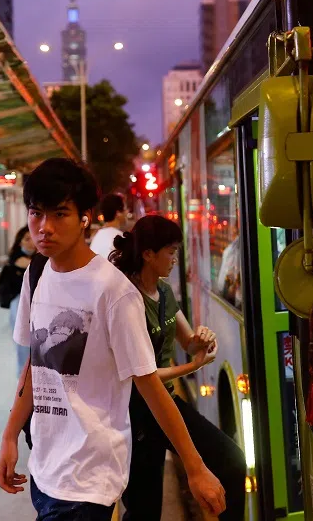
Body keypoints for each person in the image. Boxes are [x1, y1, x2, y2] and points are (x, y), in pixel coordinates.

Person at [0, 158, 225, 520]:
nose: (44, 228)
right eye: (36, 214)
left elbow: (149, 385)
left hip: (89, 474)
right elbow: (36, 365)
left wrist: (195, 467)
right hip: (45, 464)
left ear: (85, 217)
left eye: (59, 214)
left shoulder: (113, 291)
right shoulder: (37, 273)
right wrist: (10, 435)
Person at [111, 215, 247, 520]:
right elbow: (139, 375)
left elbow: (189, 342)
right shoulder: (126, 300)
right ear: (148, 254)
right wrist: (191, 367)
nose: (176, 259)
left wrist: (204, 338)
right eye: (170, 252)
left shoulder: (164, 292)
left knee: (231, 462)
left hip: (163, 405)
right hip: (136, 412)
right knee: (144, 508)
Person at [0, 227, 37, 376]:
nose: (30, 243)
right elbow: (33, 267)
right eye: (26, 239)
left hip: (35, 305)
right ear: (19, 242)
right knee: (23, 343)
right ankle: (23, 377)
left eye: (32, 238)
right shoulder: (17, 258)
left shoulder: (39, 258)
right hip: (20, 303)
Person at [89, 193, 128, 258]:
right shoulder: (120, 240)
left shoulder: (97, 236)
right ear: (118, 213)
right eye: (124, 209)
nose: (126, 212)